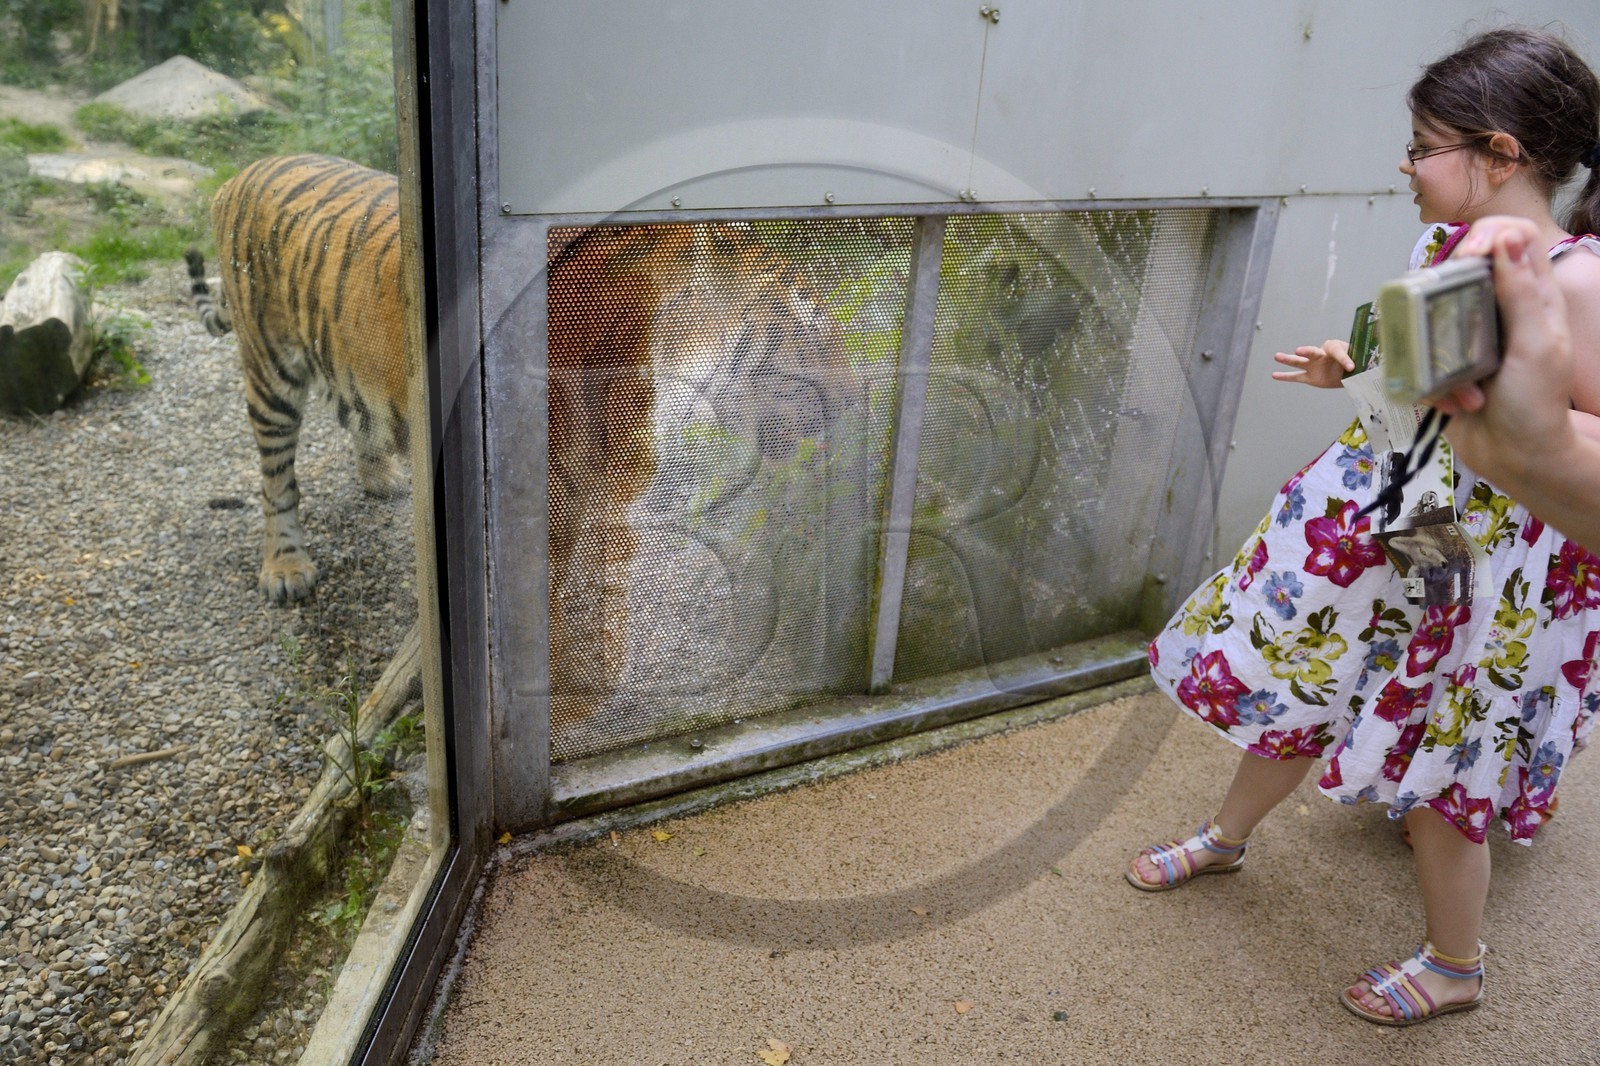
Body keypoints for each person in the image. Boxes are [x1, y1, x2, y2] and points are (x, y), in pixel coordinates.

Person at [1128, 26, 1600, 1028]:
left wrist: (1514, 412)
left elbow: (1579, 434)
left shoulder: (1572, 277)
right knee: (1319, 675)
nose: (1405, 162)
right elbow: (1417, 364)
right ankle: (1227, 834)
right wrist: (1353, 363)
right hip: (1396, 516)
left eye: (1425, 143)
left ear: (1501, 152)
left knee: (1445, 756)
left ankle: (1454, 963)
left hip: (1486, 558)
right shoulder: (1445, 244)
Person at [1435, 216, 1600, 554]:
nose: (1406, 168)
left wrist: (1524, 421)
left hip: (1525, 536)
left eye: (1419, 156)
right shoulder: (1441, 246)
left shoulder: (1580, 274)